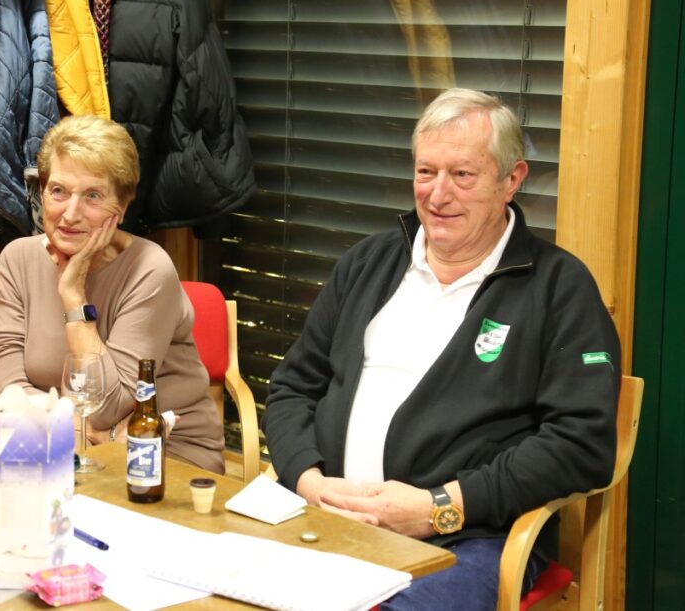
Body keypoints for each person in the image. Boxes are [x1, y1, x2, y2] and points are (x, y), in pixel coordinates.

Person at [263, 88, 621, 610]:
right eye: (426, 172)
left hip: (469, 536)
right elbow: (293, 387)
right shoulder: (367, 263)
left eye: (462, 175)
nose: (438, 195)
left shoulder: (558, 287)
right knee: (203, 579)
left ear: (512, 180)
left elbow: (581, 445)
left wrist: (439, 508)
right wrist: (307, 479)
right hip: (323, 513)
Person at [0, 114, 225, 473]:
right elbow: (9, 384)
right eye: (58, 191)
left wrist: (73, 296)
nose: (70, 214)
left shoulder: (150, 269)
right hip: (61, 448)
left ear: (123, 208)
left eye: (93, 196)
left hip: (163, 453)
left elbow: (107, 406)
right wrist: (81, 431)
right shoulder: (17, 259)